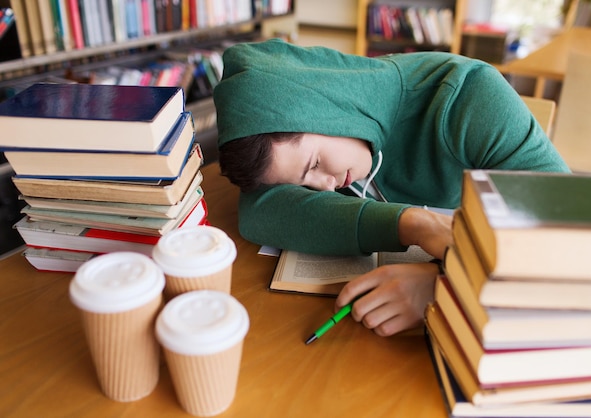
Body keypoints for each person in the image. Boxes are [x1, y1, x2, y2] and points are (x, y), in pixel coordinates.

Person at [213, 39, 570, 337]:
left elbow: (572, 231)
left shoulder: (471, 96)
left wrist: (444, 285)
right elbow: (257, 212)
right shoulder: (331, 140)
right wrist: (411, 223)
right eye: (303, 183)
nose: (321, 187)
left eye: (315, 165)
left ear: (323, 107)